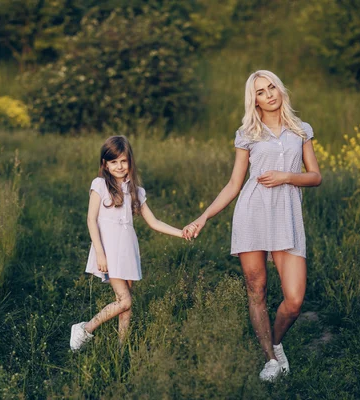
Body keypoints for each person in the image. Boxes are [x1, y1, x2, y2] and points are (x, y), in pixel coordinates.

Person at [184, 70, 322, 382]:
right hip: (252, 213)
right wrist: (203, 218)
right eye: (261, 91)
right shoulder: (247, 133)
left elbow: (315, 176)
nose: (269, 94)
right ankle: (271, 360)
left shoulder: (301, 130)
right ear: (254, 100)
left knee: (295, 300)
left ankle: (275, 341)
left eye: (272, 87)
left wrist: (286, 176)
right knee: (256, 290)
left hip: (287, 216)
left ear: (280, 89)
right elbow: (234, 184)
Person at [70, 135, 187, 351]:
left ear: (130, 162)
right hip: (108, 249)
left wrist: (181, 233)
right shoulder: (100, 185)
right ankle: (85, 328)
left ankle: (121, 347)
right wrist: (99, 252)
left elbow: (153, 222)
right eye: (113, 162)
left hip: (128, 249)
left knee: (126, 300)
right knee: (124, 301)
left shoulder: (136, 191)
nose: (119, 166)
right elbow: (91, 219)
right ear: (104, 163)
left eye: (123, 161)